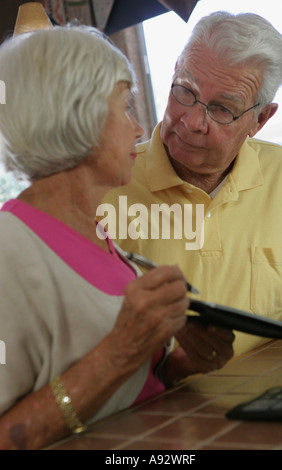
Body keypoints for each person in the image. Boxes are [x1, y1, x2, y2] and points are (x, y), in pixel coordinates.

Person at [0, 23, 234, 450]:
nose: (139, 128)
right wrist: (120, 351)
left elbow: (133, 388)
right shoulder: (8, 248)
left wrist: (180, 363)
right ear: (77, 114)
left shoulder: (102, 238)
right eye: (125, 106)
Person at [102, 11, 282, 357]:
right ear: (175, 70)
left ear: (261, 119)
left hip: (273, 398)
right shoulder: (108, 184)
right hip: (160, 405)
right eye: (185, 91)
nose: (193, 121)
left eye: (222, 109)